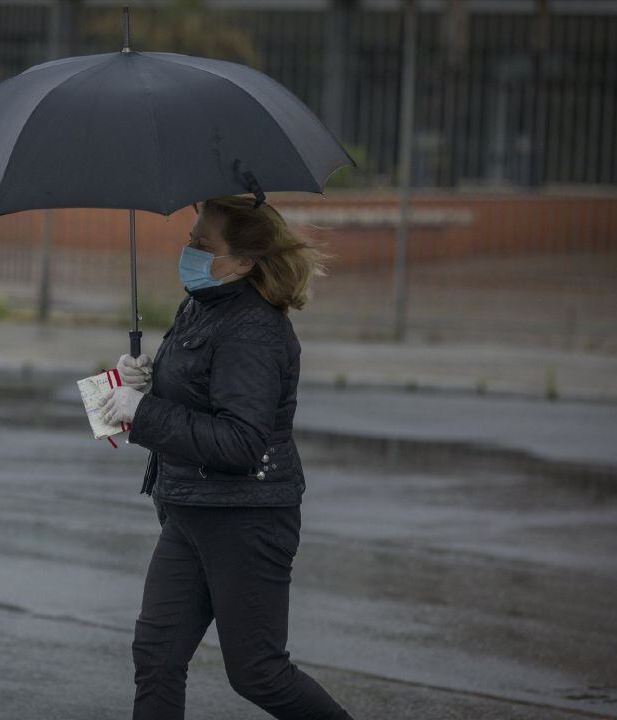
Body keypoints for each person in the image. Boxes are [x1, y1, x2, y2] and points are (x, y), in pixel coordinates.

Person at [98, 195, 356, 720]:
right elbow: (197, 395)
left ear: (243, 261)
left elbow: (241, 442)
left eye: (202, 243)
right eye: (190, 238)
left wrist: (143, 413)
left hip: (245, 518)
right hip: (191, 511)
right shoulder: (203, 305)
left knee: (258, 671)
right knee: (156, 654)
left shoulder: (253, 329)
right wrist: (142, 381)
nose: (187, 249)